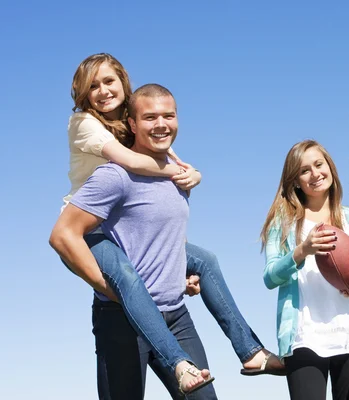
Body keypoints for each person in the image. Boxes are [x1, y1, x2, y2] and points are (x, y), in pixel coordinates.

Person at [52, 54, 282, 392]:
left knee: (205, 260)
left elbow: (160, 228)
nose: (102, 91)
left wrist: (175, 273)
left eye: (108, 81)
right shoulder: (91, 133)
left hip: (173, 314)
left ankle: (249, 350)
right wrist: (108, 290)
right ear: (133, 122)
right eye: (93, 86)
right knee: (127, 278)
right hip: (97, 245)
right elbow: (126, 164)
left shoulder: (142, 144)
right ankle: (178, 363)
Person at [260, 140, 349, 400]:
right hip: (304, 337)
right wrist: (302, 250)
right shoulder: (284, 223)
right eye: (304, 170)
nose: (315, 174)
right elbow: (270, 277)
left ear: (330, 167)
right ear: (296, 181)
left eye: (319, 164)